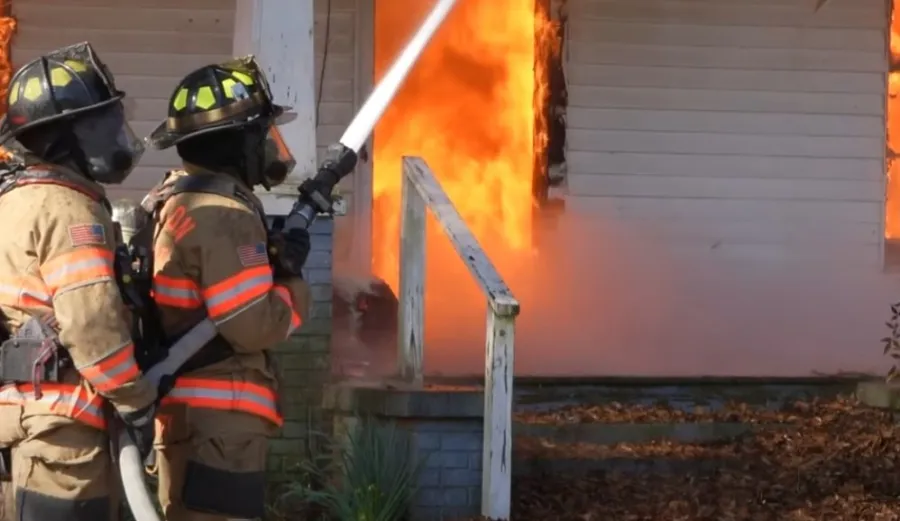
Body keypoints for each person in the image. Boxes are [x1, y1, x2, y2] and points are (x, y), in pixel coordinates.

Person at [141, 56, 310, 521]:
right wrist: (292, 279)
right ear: (239, 142)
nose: (269, 147)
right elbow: (254, 327)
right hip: (222, 423)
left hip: (190, 415)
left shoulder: (173, 199)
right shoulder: (225, 214)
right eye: (261, 135)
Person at [0, 42, 158, 521]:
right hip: (61, 433)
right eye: (101, 124)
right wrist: (136, 399)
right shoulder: (70, 210)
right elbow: (91, 325)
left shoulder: (14, 200)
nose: (114, 134)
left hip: (18, 420)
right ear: (67, 137)